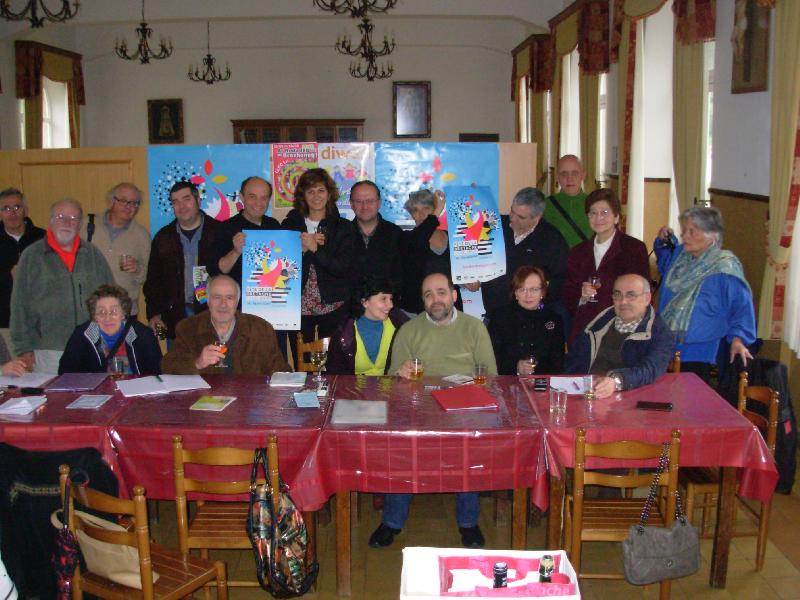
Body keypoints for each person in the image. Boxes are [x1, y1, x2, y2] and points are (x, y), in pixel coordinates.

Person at [369, 272, 497, 550]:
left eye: (441, 292)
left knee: (469, 440)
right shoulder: (409, 330)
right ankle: (392, 521)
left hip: (463, 409)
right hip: (419, 409)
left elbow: (490, 377)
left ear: (454, 295)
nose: (435, 299)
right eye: (428, 295)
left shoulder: (474, 328)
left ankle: (468, 522)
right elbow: (391, 381)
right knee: (401, 441)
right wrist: (400, 372)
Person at [10, 199, 113, 374]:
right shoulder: (32, 256)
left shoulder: (93, 255)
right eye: (60, 217)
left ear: (79, 224)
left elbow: (112, 299)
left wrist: (111, 339)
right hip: (48, 350)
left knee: (93, 391)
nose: (67, 223)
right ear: (50, 221)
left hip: (91, 345)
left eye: (73, 218)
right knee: (54, 392)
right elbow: (19, 306)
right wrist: (23, 349)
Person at [654, 206, 756, 382]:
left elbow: (741, 307)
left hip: (701, 353)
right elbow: (664, 265)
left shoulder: (725, 266)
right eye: (684, 231)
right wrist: (662, 241)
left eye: (692, 232)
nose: (685, 236)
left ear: (712, 234)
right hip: (665, 346)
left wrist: (738, 339)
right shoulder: (680, 256)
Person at [282, 168, 355, 365]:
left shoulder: (344, 227)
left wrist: (316, 249)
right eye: (310, 191)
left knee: (331, 363)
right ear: (303, 196)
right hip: (297, 305)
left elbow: (344, 267)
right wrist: (302, 250)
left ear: (329, 194)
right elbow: (279, 268)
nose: (316, 196)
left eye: (321, 190)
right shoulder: (289, 225)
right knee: (303, 363)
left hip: (333, 305)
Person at [566, 274, 675, 399]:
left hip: (631, 398)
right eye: (617, 295)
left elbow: (651, 369)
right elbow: (573, 362)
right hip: (586, 394)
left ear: (647, 298)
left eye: (631, 295)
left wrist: (617, 381)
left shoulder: (659, 332)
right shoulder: (599, 324)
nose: (623, 302)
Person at [563, 188, 650, 345]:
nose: (598, 218)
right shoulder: (577, 252)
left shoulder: (633, 248)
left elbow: (642, 293)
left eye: (604, 212)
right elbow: (568, 294)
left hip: (621, 329)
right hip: (585, 330)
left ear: (616, 217)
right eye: (593, 213)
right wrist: (581, 296)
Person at [161, 275, 290, 375]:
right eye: (217, 297)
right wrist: (197, 363)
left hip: (249, 399)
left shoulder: (261, 329)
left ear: (237, 302)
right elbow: (167, 366)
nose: (223, 304)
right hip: (205, 400)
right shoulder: (189, 328)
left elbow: (282, 372)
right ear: (208, 301)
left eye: (229, 298)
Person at [143, 181, 220, 340]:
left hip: (215, 315)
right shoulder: (163, 238)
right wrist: (154, 313)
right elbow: (153, 280)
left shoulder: (219, 232)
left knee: (216, 356)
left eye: (186, 199)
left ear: (198, 200)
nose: (181, 206)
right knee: (179, 357)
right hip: (176, 317)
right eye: (175, 202)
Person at [475, 187, 569, 318]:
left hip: (531, 318)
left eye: (521, 217)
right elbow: (469, 250)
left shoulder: (552, 240)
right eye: (512, 211)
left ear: (537, 217)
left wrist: (538, 304)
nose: (513, 218)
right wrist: (470, 276)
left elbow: (559, 282)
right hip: (494, 315)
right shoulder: (495, 225)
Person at [58, 284, 162, 375]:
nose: (108, 318)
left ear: (124, 313)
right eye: (101, 312)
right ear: (94, 316)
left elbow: (156, 374)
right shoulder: (82, 335)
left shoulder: (143, 335)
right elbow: (65, 374)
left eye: (114, 311)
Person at [83, 182, 151, 317]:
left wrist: (137, 269)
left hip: (124, 310)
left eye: (134, 203)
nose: (128, 206)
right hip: (89, 309)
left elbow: (150, 276)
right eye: (123, 201)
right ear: (111, 202)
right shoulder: (87, 225)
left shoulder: (142, 235)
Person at [211, 176, 282, 303]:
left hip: (272, 301)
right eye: (252, 196)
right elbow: (217, 272)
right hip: (238, 306)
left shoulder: (274, 225)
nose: (258, 203)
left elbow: (283, 262)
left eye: (264, 198)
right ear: (242, 197)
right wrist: (236, 252)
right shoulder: (226, 228)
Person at [486, 265, 564, 376]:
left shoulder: (554, 319)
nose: (528, 295)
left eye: (534, 289)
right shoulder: (500, 317)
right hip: (508, 379)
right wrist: (516, 367)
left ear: (542, 292)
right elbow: (490, 357)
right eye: (522, 290)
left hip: (543, 381)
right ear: (515, 293)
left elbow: (558, 362)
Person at [326, 277, 408, 375]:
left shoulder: (399, 324)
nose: (391, 305)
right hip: (352, 384)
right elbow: (335, 373)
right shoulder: (343, 331)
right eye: (383, 299)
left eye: (390, 299)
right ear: (365, 302)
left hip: (391, 384)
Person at [399, 189, 460, 315]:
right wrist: (435, 215)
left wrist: (470, 280)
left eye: (426, 208)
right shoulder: (407, 239)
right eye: (415, 210)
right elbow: (420, 239)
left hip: (450, 311)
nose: (421, 214)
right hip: (416, 313)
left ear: (434, 209)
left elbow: (461, 270)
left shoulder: (454, 238)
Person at [349, 180, 404, 296]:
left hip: (387, 303)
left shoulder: (395, 234)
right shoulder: (342, 233)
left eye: (369, 201)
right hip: (350, 304)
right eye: (358, 201)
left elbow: (401, 276)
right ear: (351, 204)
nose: (364, 206)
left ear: (379, 203)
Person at [0, 188, 45, 328]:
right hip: (4, 322)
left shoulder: (43, 238)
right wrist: (9, 276)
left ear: (25, 210)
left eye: (17, 207)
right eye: (6, 208)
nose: (12, 213)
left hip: (40, 321)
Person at [543, 155, 592, 248]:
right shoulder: (545, 206)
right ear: (557, 177)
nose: (570, 179)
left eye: (575, 173)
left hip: (587, 257)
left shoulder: (594, 204)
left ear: (583, 176)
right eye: (564, 174)